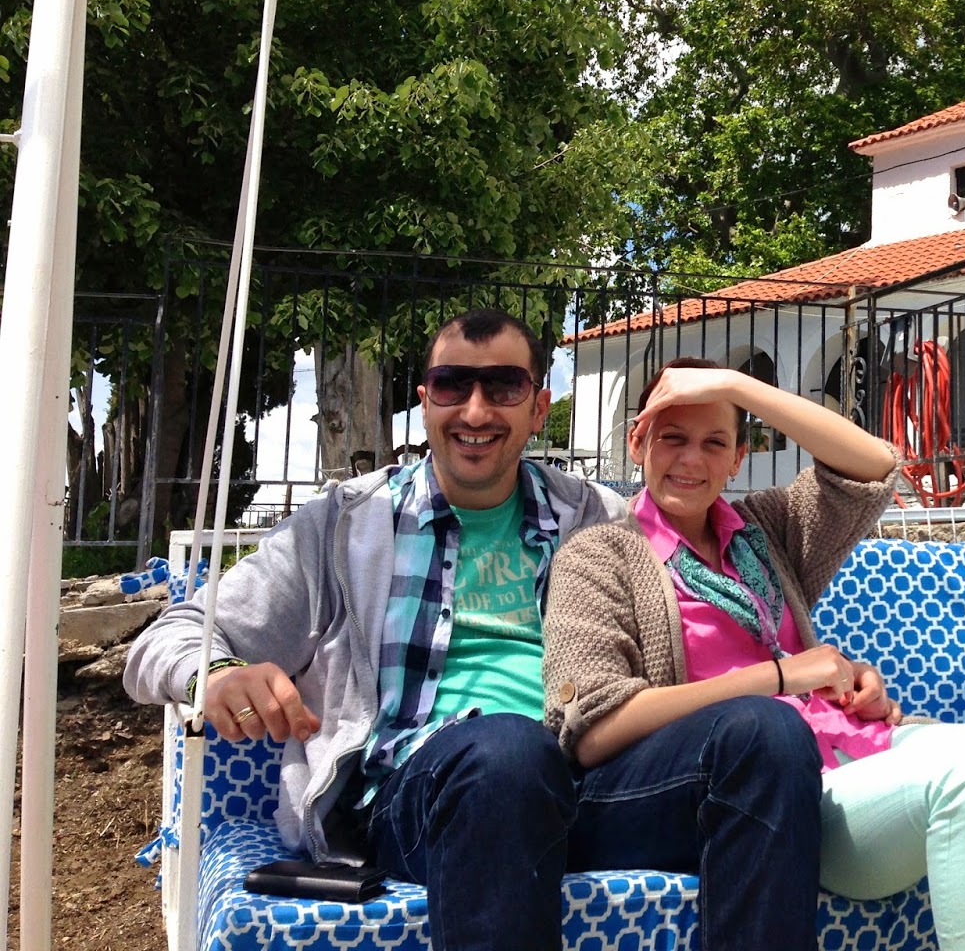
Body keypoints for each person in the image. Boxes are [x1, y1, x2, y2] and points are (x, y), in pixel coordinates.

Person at [124, 310, 824, 951]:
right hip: (422, 798)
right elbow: (174, 633)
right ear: (425, 400)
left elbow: (830, 499)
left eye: (504, 386)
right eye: (452, 385)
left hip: (591, 788)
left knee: (767, 734)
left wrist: (830, 681)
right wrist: (219, 674)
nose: (477, 410)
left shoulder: (602, 519)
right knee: (509, 751)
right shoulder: (346, 525)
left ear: (539, 407)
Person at [543, 357, 965, 951]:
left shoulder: (764, 529)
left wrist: (736, 385)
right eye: (672, 438)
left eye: (715, 442)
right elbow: (592, 726)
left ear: (738, 457)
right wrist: (780, 676)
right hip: (778, 789)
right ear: (637, 443)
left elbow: (873, 467)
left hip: (860, 741)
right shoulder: (599, 554)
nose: (691, 459)